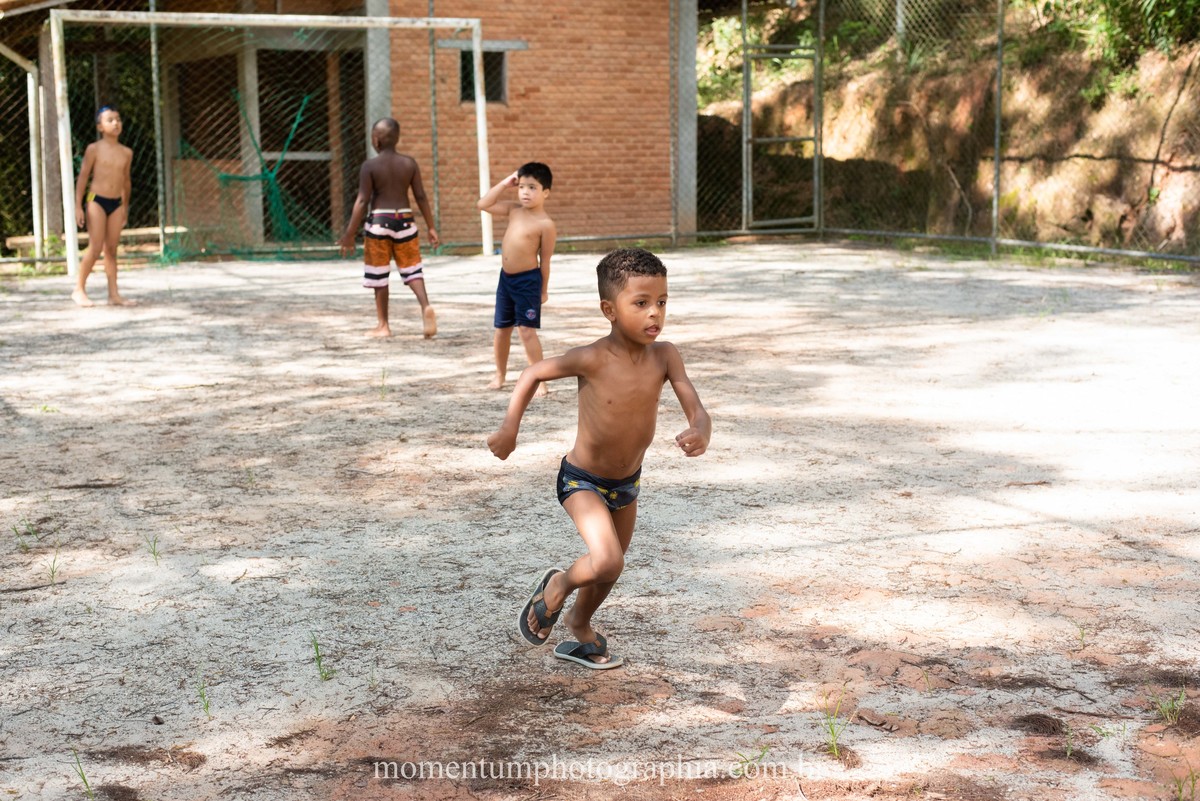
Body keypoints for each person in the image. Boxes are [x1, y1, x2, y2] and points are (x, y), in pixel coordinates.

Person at [487, 248, 712, 669]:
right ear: (609, 309)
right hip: (582, 481)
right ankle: (557, 586)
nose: (654, 314)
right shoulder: (591, 358)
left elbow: (694, 404)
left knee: (609, 568)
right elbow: (533, 373)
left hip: (627, 484)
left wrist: (701, 428)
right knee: (607, 557)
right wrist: (509, 429)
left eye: (661, 302)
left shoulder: (666, 356)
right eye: (641, 303)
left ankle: (579, 626)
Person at [338, 117, 440, 338]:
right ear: (397, 138)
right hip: (405, 220)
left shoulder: (369, 166)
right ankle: (425, 307)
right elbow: (420, 196)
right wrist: (431, 227)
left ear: (376, 140)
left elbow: (363, 201)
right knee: (413, 270)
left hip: (379, 222)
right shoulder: (409, 163)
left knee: (379, 274)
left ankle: (383, 325)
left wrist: (349, 233)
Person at [477, 163, 556, 395]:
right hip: (506, 280)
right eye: (521, 186)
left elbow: (546, 261)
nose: (525, 192)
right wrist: (504, 183)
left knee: (526, 331)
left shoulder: (546, 225)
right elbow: (483, 204)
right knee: (502, 329)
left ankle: (540, 379)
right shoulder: (514, 210)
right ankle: (500, 375)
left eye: (532, 187)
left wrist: (543, 290)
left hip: (528, 282)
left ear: (545, 192)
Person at [72, 105, 134, 307]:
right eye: (110, 120)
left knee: (112, 250)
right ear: (100, 127)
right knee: (96, 246)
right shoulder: (94, 149)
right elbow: (83, 177)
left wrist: (124, 206)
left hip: (116, 203)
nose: (116, 123)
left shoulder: (126, 153)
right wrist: (78, 206)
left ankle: (113, 294)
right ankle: (79, 289)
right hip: (96, 200)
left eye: (118, 119)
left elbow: (125, 182)